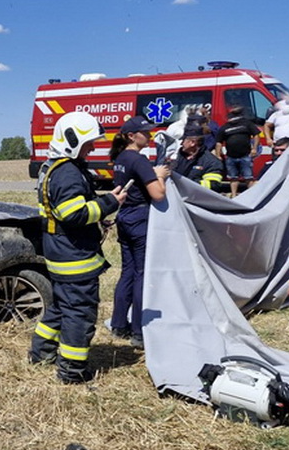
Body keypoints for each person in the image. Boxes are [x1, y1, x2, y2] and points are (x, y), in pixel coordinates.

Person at [29, 111, 127, 383]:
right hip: (74, 258)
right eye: (89, 143)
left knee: (61, 307)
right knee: (79, 314)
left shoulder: (54, 167)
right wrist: (110, 203)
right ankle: (71, 371)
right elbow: (72, 215)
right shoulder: (68, 173)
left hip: (60, 253)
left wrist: (100, 210)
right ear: (73, 141)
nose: (94, 147)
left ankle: (41, 354)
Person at [108, 116, 170, 349]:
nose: (150, 135)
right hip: (140, 219)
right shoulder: (139, 160)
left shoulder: (120, 158)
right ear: (132, 136)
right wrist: (160, 176)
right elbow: (158, 194)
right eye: (145, 132)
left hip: (125, 217)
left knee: (127, 271)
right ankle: (138, 331)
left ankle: (118, 324)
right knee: (141, 274)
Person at [215, 106, 261, 197]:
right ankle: (234, 195)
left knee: (248, 177)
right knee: (233, 178)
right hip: (231, 157)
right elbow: (218, 142)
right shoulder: (224, 127)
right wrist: (218, 155)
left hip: (245, 155)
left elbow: (256, 135)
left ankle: (252, 196)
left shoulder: (247, 124)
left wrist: (254, 148)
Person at [171, 122, 224, 192]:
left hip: (195, 199)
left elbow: (214, 185)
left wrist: (188, 184)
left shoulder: (211, 162)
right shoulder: (179, 157)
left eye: (183, 140)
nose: (181, 143)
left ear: (193, 143)